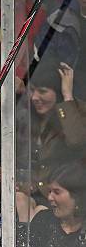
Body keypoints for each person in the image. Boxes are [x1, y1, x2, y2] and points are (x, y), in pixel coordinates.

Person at [17, 58, 86, 191]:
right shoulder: (26, 116)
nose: (35, 97)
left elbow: (76, 141)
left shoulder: (78, 112)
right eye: (32, 90)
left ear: (59, 90)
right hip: (32, 193)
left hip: (61, 196)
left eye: (42, 91)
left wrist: (67, 97)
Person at [19, 162, 86, 247]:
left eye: (56, 192)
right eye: (49, 191)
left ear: (77, 197)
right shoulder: (43, 220)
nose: (49, 198)